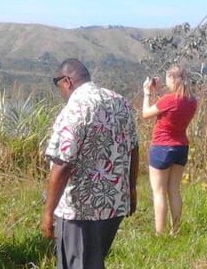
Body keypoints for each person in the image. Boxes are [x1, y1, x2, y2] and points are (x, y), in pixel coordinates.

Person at [41, 59, 140, 269]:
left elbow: (63, 163)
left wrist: (48, 211)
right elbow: (133, 148)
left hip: (80, 210)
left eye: (58, 84)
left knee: (77, 264)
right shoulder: (119, 102)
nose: (60, 92)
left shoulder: (77, 107)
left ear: (67, 81)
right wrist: (131, 189)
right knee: (93, 262)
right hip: (114, 204)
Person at [141, 65, 198, 235]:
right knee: (174, 190)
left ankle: (160, 233)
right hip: (181, 147)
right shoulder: (192, 101)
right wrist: (158, 93)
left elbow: (146, 113)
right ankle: (176, 230)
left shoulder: (168, 100)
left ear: (172, 79)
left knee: (159, 192)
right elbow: (170, 109)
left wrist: (147, 93)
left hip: (162, 147)